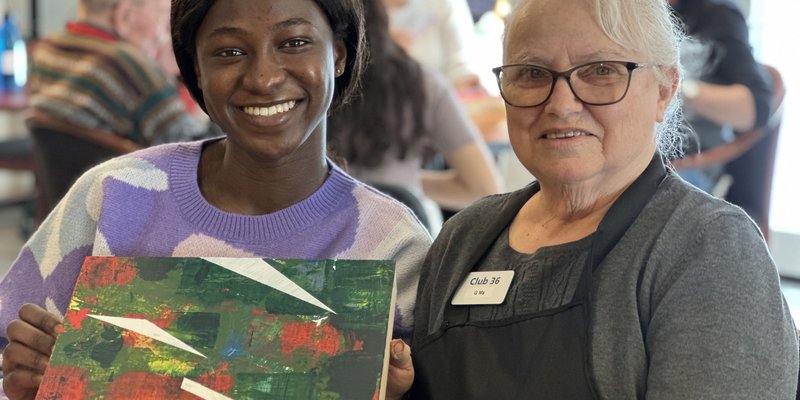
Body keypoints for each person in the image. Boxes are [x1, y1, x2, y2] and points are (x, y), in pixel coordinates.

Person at [0, 0, 432, 398]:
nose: (264, 78)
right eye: (229, 52)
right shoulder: (115, 197)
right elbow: (10, 349)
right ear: (196, 69)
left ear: (338, 54)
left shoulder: (393, 245)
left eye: (295, 42)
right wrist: (21, 382)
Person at [386, 0, 798, 398]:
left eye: (601, 71)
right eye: (532, 73)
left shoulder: (708, 249)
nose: (562, 105)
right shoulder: (463, 238)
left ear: (664, 90)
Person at [328, 0, 501, 232]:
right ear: (382, 17)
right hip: (406, 236)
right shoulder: (424, 83)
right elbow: (485, 187)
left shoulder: (313, 87)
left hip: (326, 238)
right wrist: (407, 182)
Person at [26, 0, 216, 147]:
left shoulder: (47, 49)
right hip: (134, 193)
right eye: (163, 15)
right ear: (125, 16)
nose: (166, 32)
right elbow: (199, 149)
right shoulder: (128, 65)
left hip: (83, 192)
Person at [669, 0, 773, 194]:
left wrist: (680, 88)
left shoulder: (718, 15)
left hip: (687, 166)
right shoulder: (631, 13)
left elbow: (756, 109)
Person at [383, 0, 483, 91]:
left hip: (442, 99)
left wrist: (465, 83)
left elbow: (462, 67)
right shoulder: (370, 14)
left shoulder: (444, 4)